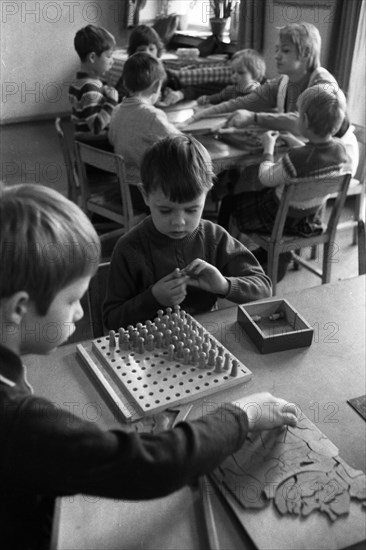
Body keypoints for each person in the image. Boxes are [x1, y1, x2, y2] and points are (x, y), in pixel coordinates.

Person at [0, 182, 298, 549]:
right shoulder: (16, 421)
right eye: (74, 299)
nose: (80, 314)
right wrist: (244, 413)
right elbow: (150, 467)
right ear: (19, 308)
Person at [103, 134, 272, 330]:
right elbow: (111, 320)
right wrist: (153, 298)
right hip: (146, 350)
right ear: (145, 196)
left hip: (203, 341)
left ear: (207, 192)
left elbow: (263, 288)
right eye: (165, 210)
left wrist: (224, 285)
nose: (179, 222)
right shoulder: (129, 249)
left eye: (192, 210)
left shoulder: (214, 237)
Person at [217, 84, 353, 278]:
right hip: (307, 219)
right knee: (263, 196)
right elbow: (316, 156)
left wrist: (268, 149)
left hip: (277, 218)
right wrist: (293, 141)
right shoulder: (340, 152)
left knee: (230, 202)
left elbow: (265, 178)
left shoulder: (295, 159)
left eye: (298, 114)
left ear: (304, 120)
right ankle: (269, 257)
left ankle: (221, 256)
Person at [190, 22, 358, 174]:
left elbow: (299, 124)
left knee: (254, 177)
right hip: (304, 155)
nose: (276, 55)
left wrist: (254, 117)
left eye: (285, 50)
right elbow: (240, 103)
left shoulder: (324, 85)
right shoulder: (282, 83)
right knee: (251, 176)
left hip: (333, 162)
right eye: (277, 49)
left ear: (306, 53)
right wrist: (196, 117)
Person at [109, 52, 181, 186]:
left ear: (125, 83)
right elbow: (181, 143)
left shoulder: (117, 110)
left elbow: (112, 139)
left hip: (123, 187)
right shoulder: (152, 115)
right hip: (149, 192)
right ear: (155, 87)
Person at [68, 24, 118, 141]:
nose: (112, 61)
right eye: (109, 56)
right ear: (92, 57)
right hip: (90, 142)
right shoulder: (90, 88)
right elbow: (96, 127)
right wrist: (111, 101)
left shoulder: (80, 83)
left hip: (82, 140)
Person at [115, 25, 181, 103]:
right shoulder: (130, 73)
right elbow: (119, 96)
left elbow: (187, 88)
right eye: (142, 50)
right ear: (134, 53)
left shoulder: (164, 72)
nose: (147, 53)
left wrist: (179, 94)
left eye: (151, 49)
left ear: (158, 50)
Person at [196, 48, 266, 106]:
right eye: (233, 72)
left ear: (255, 75)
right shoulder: (230, 91)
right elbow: (214, 98)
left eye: (240, 72)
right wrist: (205, 99)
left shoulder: (260, 95)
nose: (234, 76)